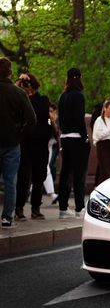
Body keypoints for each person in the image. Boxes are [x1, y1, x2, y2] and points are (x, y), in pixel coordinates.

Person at [0, 58, 36, 228]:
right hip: (12, 142)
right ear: (10, 72)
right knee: (10, 181)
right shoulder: (18, 93)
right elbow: (32, 119)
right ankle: (7, 217)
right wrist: (19, 135)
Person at [15, 73, 52, 220]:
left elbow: (41, 114)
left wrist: (28, 95)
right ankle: (19, 208)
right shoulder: (19, 99)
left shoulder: (43, 100)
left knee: (39, 178)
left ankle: (36, 208)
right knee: (23, 178)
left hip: (40, 145)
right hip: (25, 144)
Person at [57, 68, 90, 219]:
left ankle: (63, 209)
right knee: (79, 174)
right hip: (77, 139)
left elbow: (60, 120)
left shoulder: (63, 96)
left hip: (64, 137)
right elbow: (79, 119)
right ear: (79, 78)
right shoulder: (79, 96)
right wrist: (85, 137)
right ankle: (79, 208)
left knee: (65, 173)